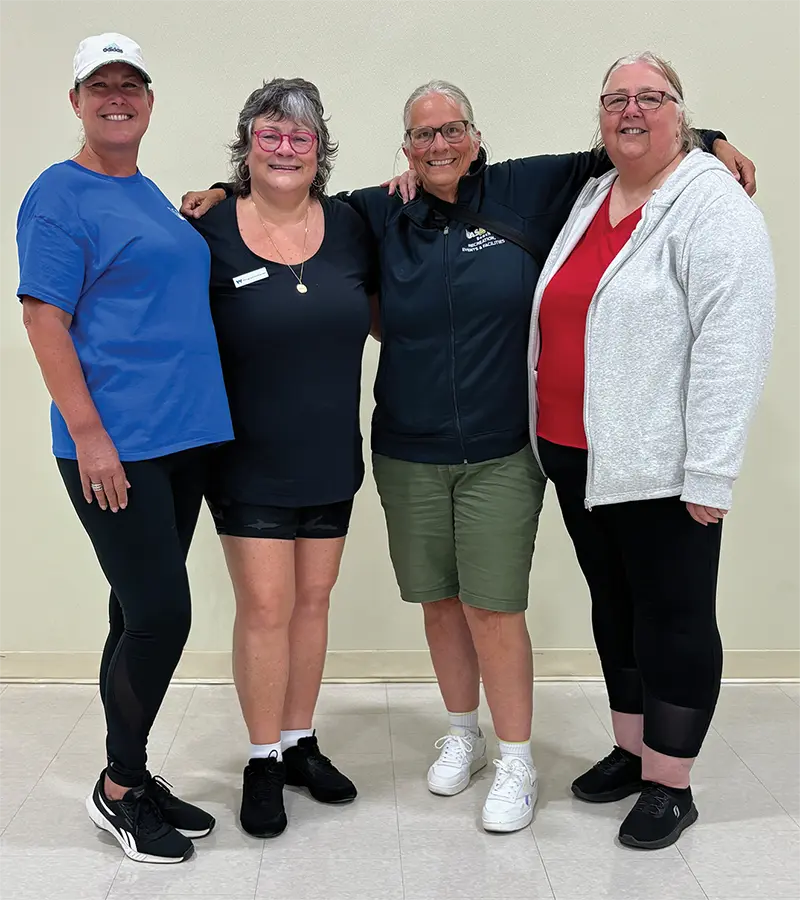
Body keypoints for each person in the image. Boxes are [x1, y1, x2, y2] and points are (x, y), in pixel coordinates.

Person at [182, 81, 751, 834]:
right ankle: (460, 732)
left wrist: (709, 138)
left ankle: (515, 758)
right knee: (439, 603)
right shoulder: (374, 211)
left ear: (474, 137)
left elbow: (626, 140)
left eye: (451, 131)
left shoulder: (524, 187)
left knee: (494, 607)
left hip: (500, 451)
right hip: (404, 452)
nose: (438, 145)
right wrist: (222, 188)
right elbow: (283, 186)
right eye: (422, 136)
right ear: (405, 150)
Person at [528, 51, 775, 849]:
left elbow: (732, 347)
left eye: (650, 98)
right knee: (616, 608)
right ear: (600, 117)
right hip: (577, 457)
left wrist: (711, 469)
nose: (631, 111)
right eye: (615, 99)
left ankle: (672, 781)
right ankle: (633, 752)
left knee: (673, 618)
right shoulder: (594, 192)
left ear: (682, 113)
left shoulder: (712, 205)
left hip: (663, 468)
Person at [16, 34, 233, 864]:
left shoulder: (144, 192)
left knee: (130, 611)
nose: (116, 96)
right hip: (117, 448)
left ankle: (133, 773)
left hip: (182, 441)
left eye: (130, 84)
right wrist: (91, 437)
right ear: (76, 101)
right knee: (161, 615)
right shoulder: (58, 195)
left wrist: (219, 190)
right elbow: (44, 321)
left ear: (149, 99)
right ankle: (117, 789)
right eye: (99, 85)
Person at [186, 78, 375, 839]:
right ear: (247, 146)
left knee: (311, 603)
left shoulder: (356, 224)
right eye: (271, 134)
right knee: (264, 607)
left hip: (331, 451)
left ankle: (299, 743)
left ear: (321, 150)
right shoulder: (208, 229)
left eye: (301, 137)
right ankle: (261, 759)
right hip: (246, 457)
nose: (286, 148)